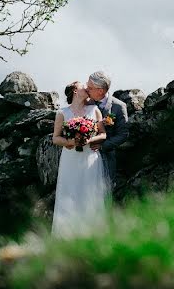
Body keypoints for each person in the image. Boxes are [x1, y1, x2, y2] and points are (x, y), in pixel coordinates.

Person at [50, 81, 109, 237]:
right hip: (71, 159)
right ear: (75, 91)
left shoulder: (94, 110)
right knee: (70, 193)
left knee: (90, 193)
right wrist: (71, 142)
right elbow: (55, 138)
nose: (87, 88)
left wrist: (88, 140)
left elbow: (103, 134)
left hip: (90, 158)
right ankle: (67, 235)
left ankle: (93, 234)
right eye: (84, 86)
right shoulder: (62, 113)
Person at [85, 71, 130, 189]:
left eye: (90, 87)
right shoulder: (85, 103)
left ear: (100, 90)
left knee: (105, 190)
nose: (86, 89)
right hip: (84, 156)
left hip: (106, 157)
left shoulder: (119, 106)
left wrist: (102, 146)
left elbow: (123, 134)